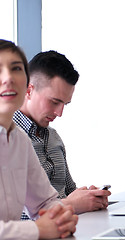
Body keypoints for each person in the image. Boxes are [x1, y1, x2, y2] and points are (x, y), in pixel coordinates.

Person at [13, 50, 111, 216]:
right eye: (55, 102)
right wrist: (70, 205)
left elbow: (69, 191)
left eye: (65, 104)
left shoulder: (53, 137)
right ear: (29, 90)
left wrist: (89, 197)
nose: (60, 113)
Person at [0, 39, 78, 239]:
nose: (8, 78)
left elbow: (45, 203)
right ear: (30, 91)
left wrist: (63, 215)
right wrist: (38, 230)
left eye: (16, 68)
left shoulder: (19, 140)